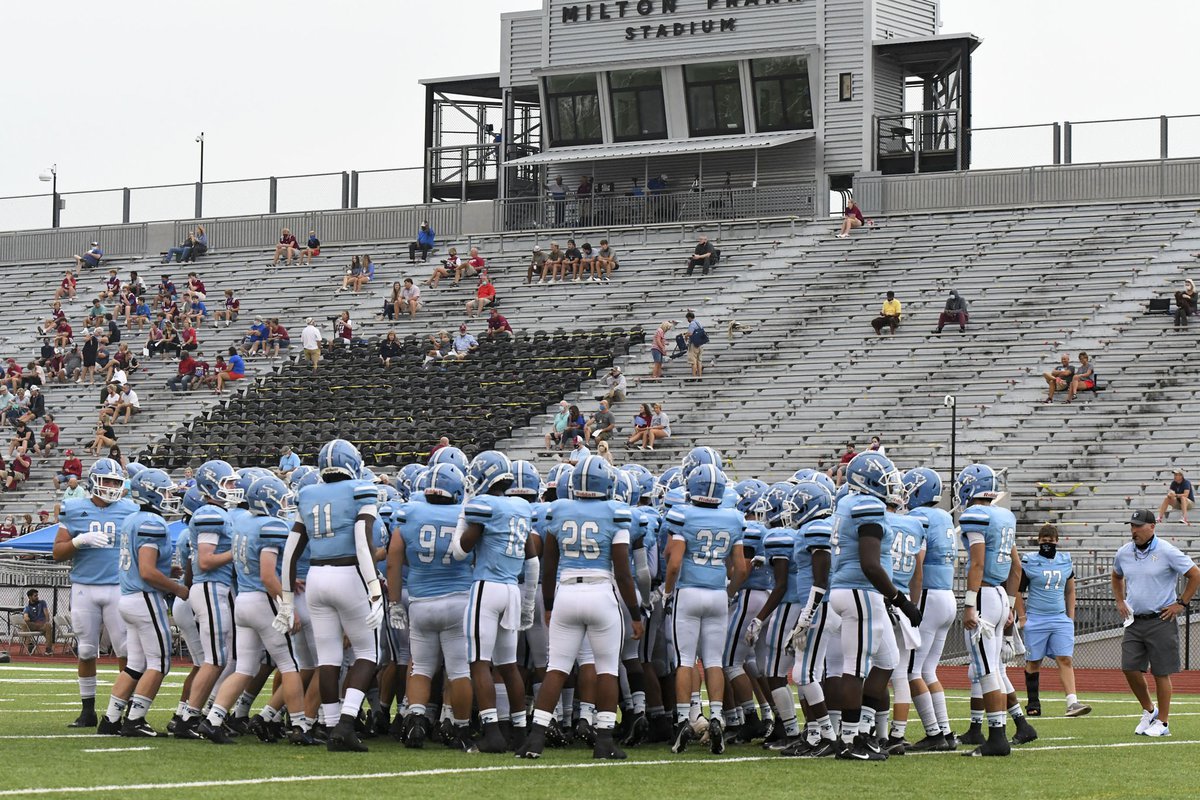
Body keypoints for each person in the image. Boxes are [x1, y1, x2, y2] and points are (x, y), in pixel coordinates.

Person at [515, 456, 642, 760]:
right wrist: (635, 613)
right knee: (607, 669)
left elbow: (549, 566)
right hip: (601, 592)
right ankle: (605, 740)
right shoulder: (616, 512)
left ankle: (535, 739)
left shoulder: (557, 510)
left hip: (566, 592)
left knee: (556, 668)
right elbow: (624, 571)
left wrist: (547, 604)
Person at [828, 453, 922, 760]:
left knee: (887, 659)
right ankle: (850, 739)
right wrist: (901, 599)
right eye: (884, 480)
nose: (891, 485)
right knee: (854, 668)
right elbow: (870, 564)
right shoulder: (867, 506)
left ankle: (863, 731)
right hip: (860, 590)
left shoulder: (847, 502)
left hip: (855, 589)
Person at [448, 451, 537, 753]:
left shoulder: (482, 507)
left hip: (487, 588)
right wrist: (527, 605)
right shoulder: (521, 508)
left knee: (479, 663)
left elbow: (459, 551)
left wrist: (463, 511)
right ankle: (519, 731)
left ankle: (492, 733)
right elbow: (533, 560)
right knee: (509, 665)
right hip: (512, 589)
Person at [386, 463, 477, 752]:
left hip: (421, 601)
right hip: (458, 600)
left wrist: (394, 602)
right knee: (459, 670)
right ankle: (460, 727)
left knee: (421, 667)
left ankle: (415, 721)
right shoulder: (466, 514)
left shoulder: (409, 513)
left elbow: (393, 560)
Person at [662, 463, 748, 755]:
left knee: (686, 660)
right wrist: (728, 592)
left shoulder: (683, 514)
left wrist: (667, 591)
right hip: (716, 594)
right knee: (713, 660)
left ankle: (685, 719)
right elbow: (741, 567)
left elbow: (673, 563)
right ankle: (718, 717)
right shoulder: (734, 518)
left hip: (688, 592)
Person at [99, 468, 189, 737]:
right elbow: (147, 572)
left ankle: (111, 719)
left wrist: (165, 571)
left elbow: (144, 564)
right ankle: (135, 719)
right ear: (151, 491)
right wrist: (178, 589)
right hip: (145, 598)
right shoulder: (152, 522)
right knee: (160, 663)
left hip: (129, 598)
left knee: (136, 664)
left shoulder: (133, 519)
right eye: (164, 491)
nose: (168, 496)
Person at [954, 462, 1036, 756]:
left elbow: (977, 564)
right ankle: (1007, 729)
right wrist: (1012, 606)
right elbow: (1016, 568)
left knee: (987, 669)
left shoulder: (975, 515)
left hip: (985, 596)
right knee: (992, 668)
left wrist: (968, 603)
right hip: (1002, 595)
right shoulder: (1004, 516)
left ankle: (998, 738)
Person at [51, 458, 137, 728]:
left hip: (118, 587)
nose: (112, 486)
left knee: (125, 650)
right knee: (86, 650)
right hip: (84, 587)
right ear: (93, 481)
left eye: (115, 481)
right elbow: (57, 552)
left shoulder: (131, 509)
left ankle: (123, 711)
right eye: (107, 481)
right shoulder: (74, 508)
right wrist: (78, 540)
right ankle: (87, 710)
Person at [1112, 509, 1200, 738]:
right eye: (1132, 526)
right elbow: (1116, 575)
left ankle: (1163, 722)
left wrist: (1181, 603)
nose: (1134, 530)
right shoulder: (1124, 552)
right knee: (1129, 668)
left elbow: (1195, 574)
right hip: (1134, 621)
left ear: (1152, 527)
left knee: (1161, 673)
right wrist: (1120, 600)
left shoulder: (1167, 551)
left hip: (1161, 619)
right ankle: (1150, 710)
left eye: (1138, 526)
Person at [171, 460, 239, 741]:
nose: (234, 488)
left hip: (215, 588)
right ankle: (189, 717)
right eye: (229, 483)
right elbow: (206, 560)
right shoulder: (210, 513)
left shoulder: (217, 513)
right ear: (212, 486)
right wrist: (238, 551)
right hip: (210, 587)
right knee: (214, 660)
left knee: (218, 659)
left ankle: (192, 716)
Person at [1018, 524, 1091, 718]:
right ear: (1038, 541)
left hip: (1059, 618)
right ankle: (1033, 703)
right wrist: (1023, 616)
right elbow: (1018, 591)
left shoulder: (1065, 560)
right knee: (1034, 662)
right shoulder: (1030, 561)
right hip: (1036, 618)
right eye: (1044, 540)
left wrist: (1070, 617)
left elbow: (1070, 590)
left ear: (1056, 541)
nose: (1047, 544)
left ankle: (1072, 703)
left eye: (1050, 541)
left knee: (1065, 659)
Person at [20, 589, 54, 656]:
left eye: (37, 595)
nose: (37, 597)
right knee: (24, 623)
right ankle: (30, 644)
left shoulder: (42, 603)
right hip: (33, 625)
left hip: (42, 625)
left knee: (48, 625)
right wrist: (26, 618)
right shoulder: (27, 607)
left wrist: (46, 622)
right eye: (35, 596)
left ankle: (48, 649)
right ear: (30, 597)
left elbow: (46, 613)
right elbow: (25, 616)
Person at [684, 311, 708, 379]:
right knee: (699, 361)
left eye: (687, 319)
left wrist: (685, 336)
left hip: (694, 344)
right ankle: (700, 377)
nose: (687, 320)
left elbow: (690, 333)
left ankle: (694, 377)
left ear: (689, 317)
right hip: (701, 344)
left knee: (693, 361)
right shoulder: (698, 323)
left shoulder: (692, 323)